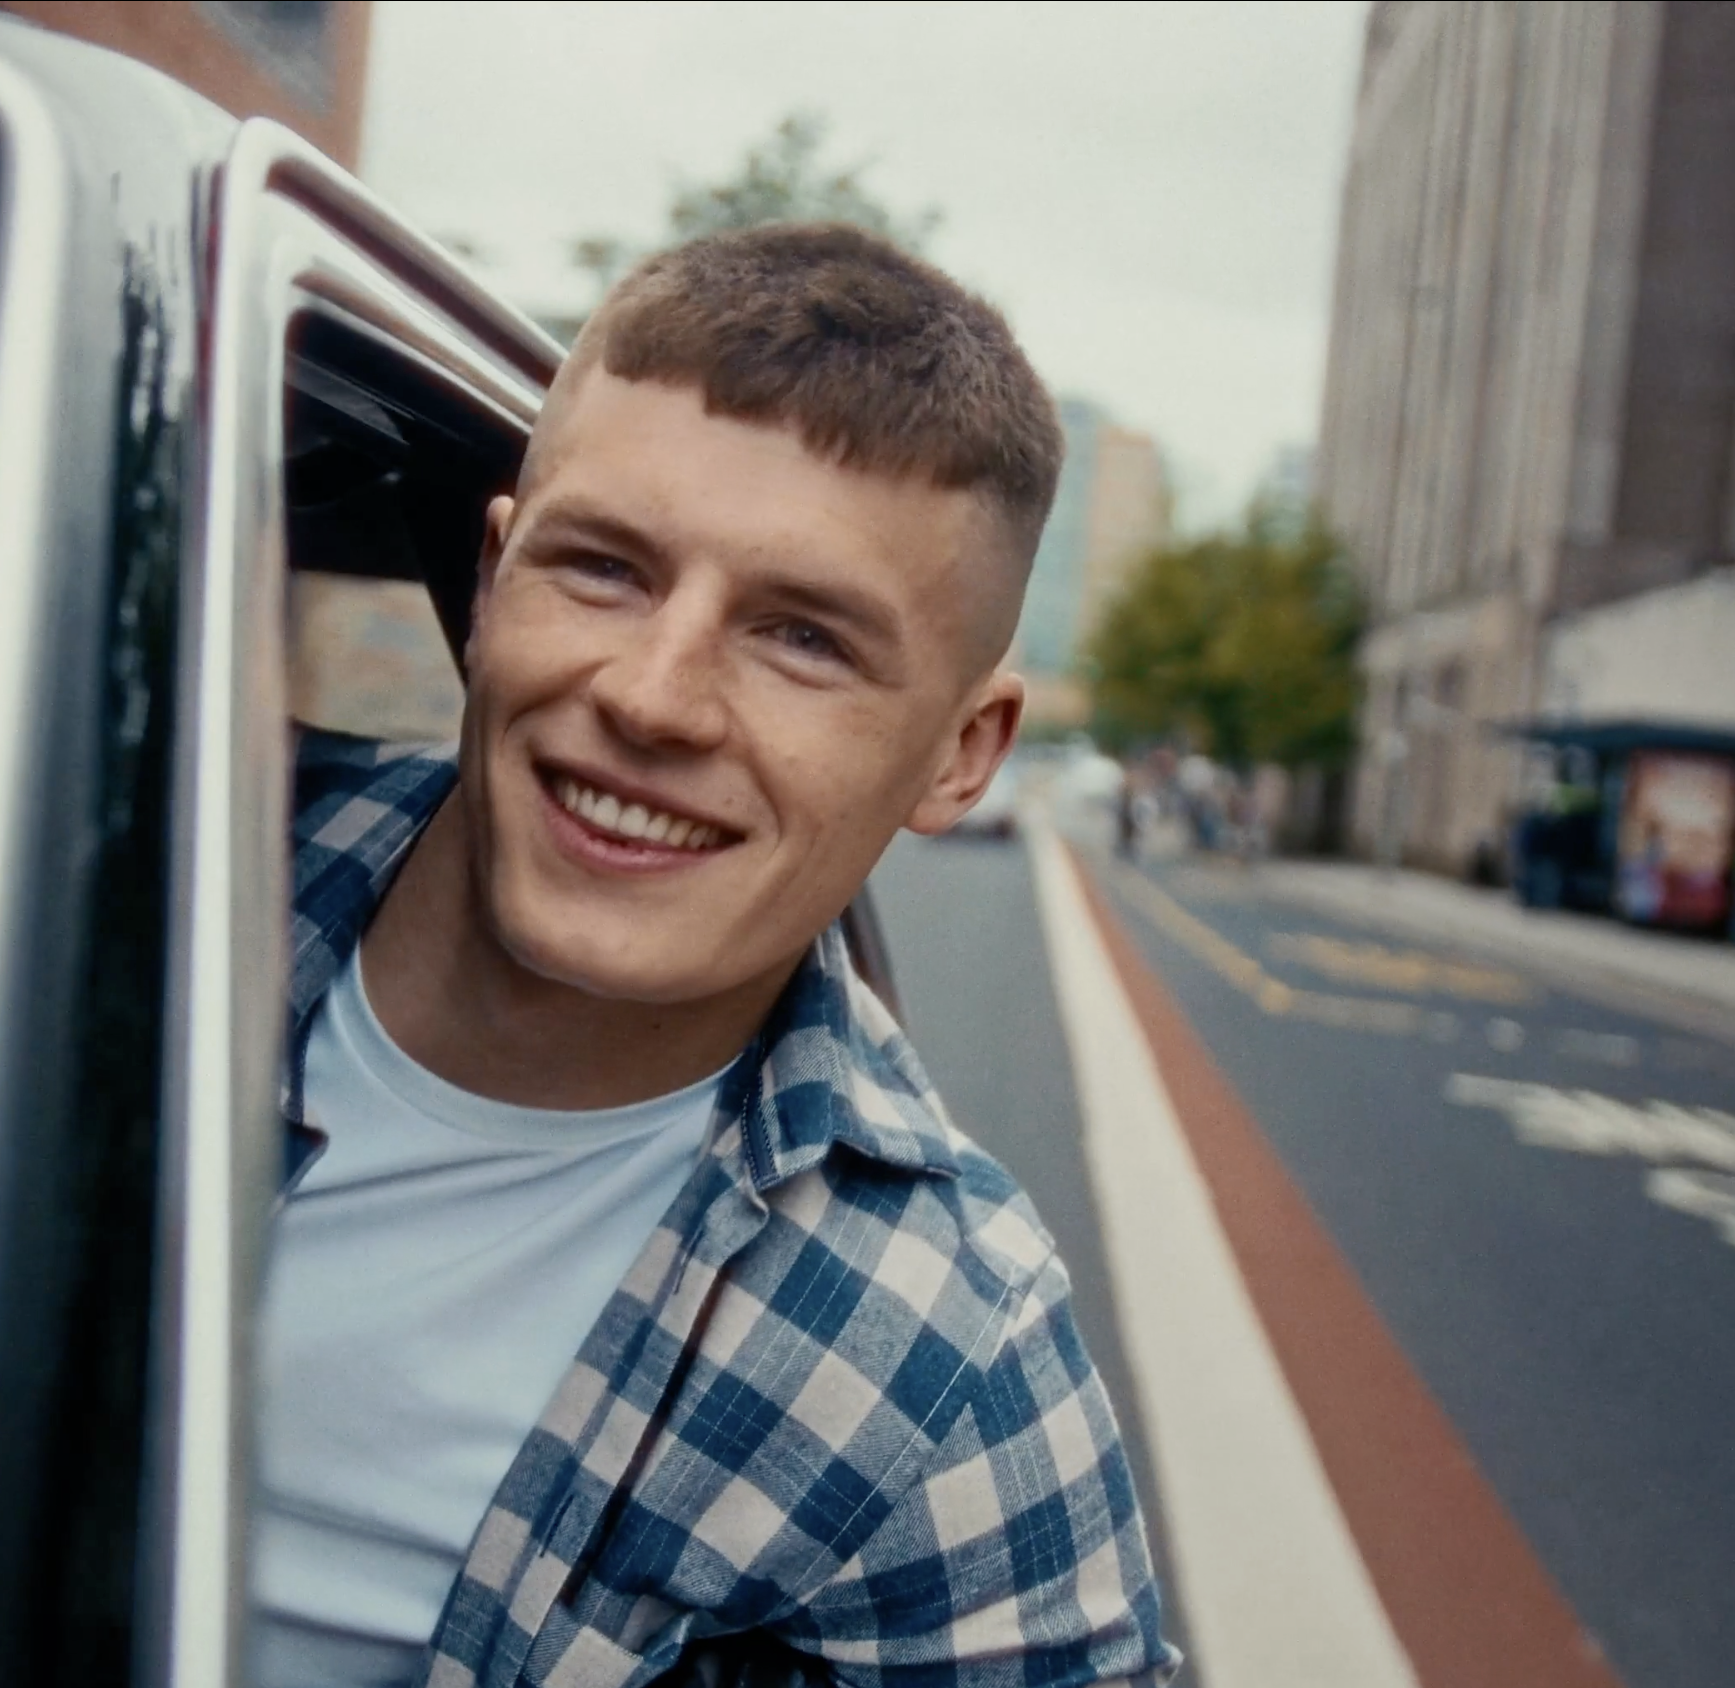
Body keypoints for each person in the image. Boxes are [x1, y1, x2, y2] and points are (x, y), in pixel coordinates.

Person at [253, 223, 1178, 1688]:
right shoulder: (121, 830)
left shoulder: (944, 1379)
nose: (654, 698)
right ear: (491, 580)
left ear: (963, 752)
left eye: (803, 638)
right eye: (603, 569)